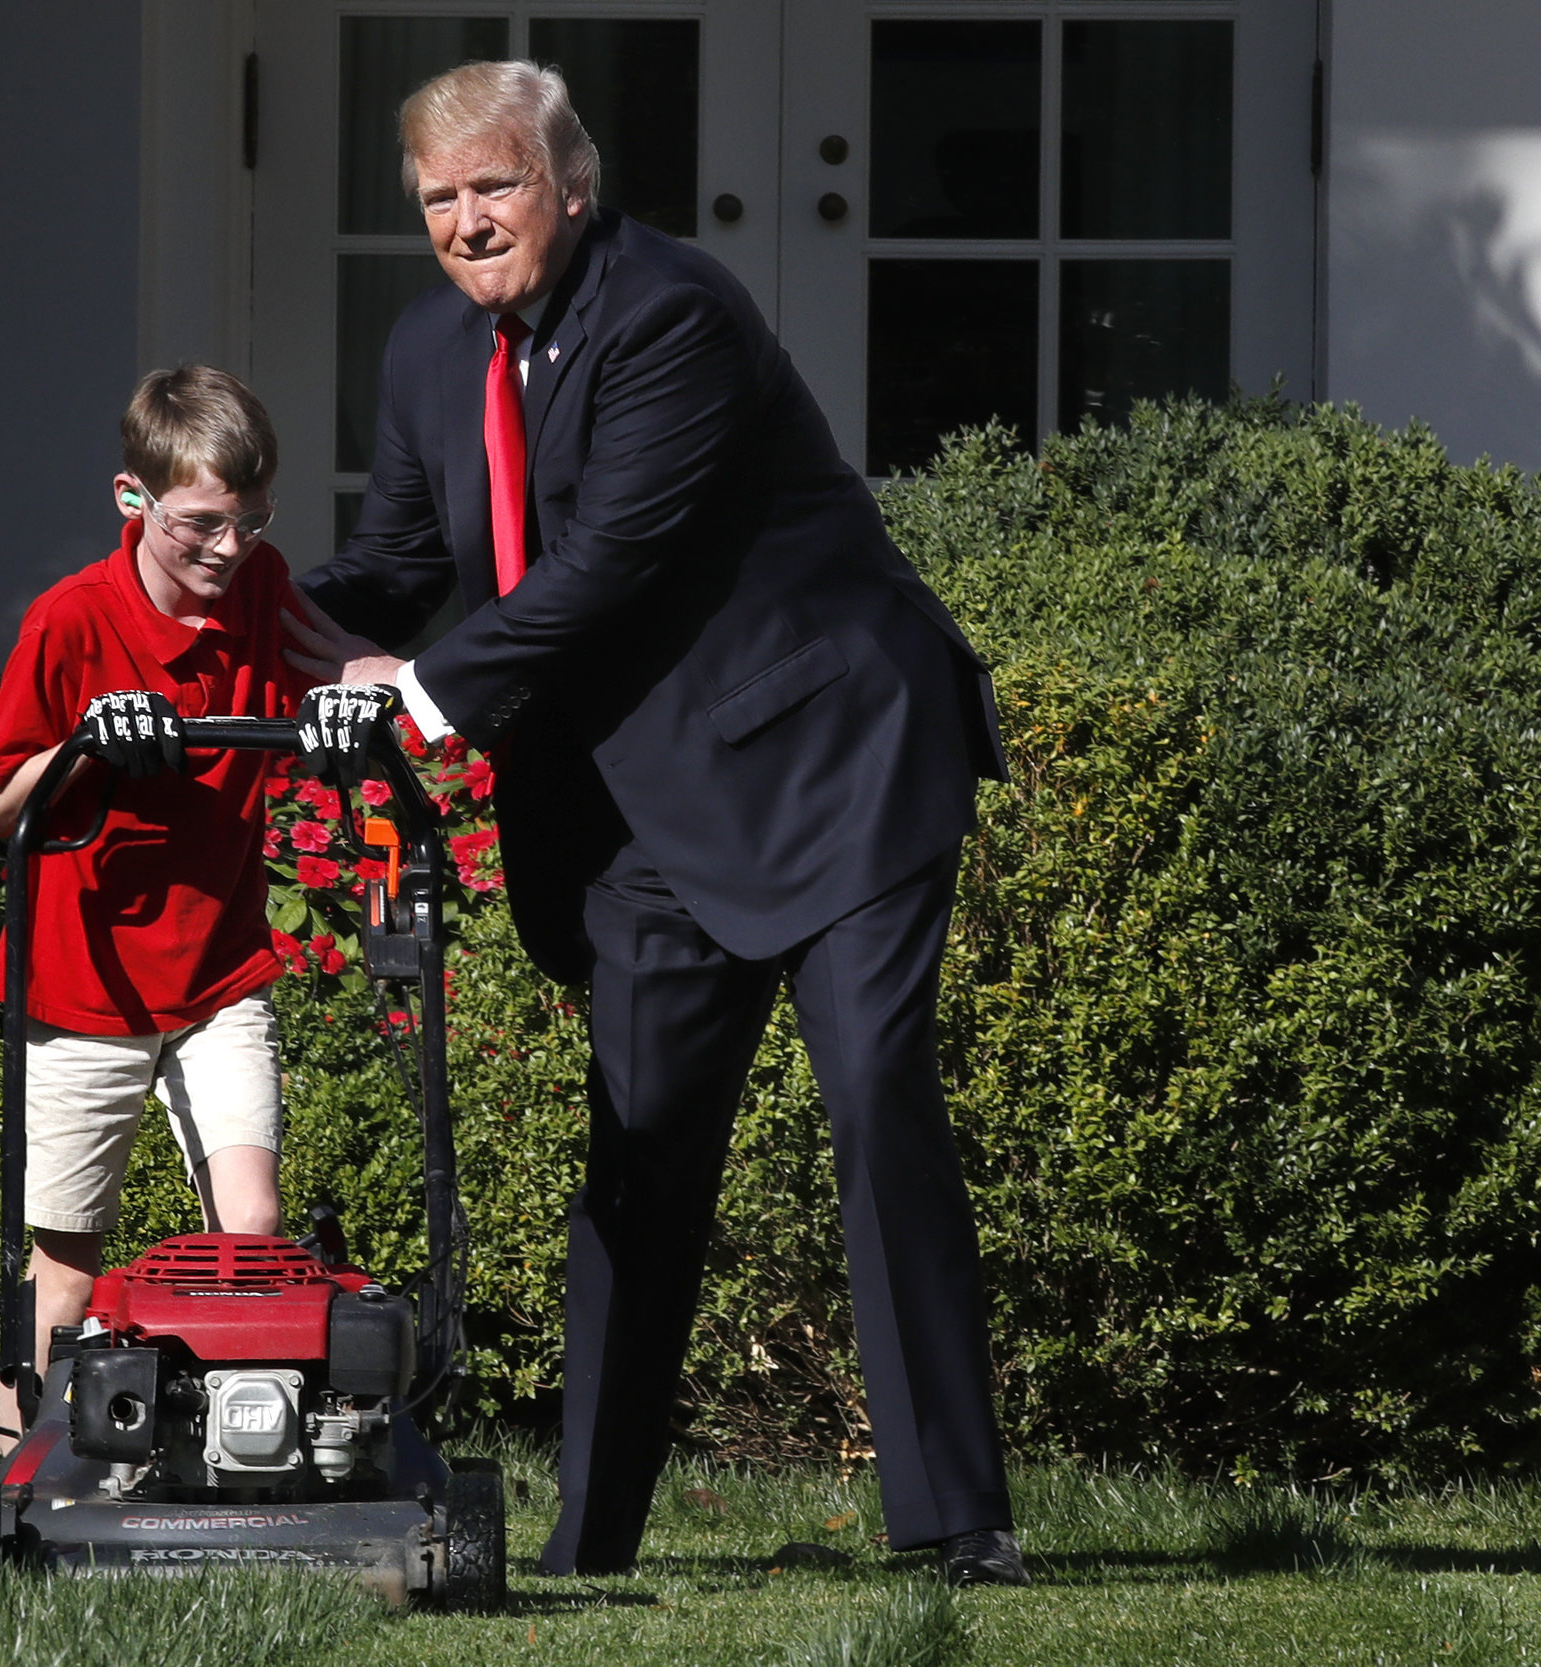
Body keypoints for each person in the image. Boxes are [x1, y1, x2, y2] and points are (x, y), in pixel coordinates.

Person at [285, 61, 1028, 1584]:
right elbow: (401, 557)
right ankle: (589, 1540)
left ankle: (963, 1522)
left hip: (833, 764)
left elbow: (612, 556)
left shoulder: (670, 312)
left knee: (880, 1103)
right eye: (438, 198)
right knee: (638, 1155)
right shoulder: (432, 346)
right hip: (640, 818)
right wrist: (222, 612)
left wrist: (420, 697)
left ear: (571, 181)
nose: (467, 220)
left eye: (495, 185)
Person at [0, 364, 312, 1439]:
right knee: (65, 1269)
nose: (228, 549)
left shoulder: (259, 588)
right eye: (202, 524)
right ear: (133, 498)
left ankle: (235, 1455)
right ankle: (13, 1467)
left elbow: (325, 665)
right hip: (86, 980)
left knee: (250, 1228)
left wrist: (357, 701)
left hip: (217, 965)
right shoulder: (71, 621)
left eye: (250, 522)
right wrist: (84, 745)